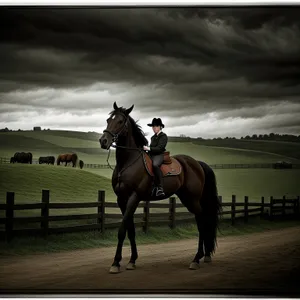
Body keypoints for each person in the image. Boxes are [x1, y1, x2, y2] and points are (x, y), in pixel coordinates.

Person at [143, 118, 168, 197]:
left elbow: (160, 148)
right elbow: (151, 148)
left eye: (156, 126)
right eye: (153, 126)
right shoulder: (152, 137)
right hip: (152, 154)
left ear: (160, 127)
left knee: (155, 165)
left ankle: (160, 187)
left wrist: (148, 148)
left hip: (159, 155)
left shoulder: (163, 136)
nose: (154, 128)